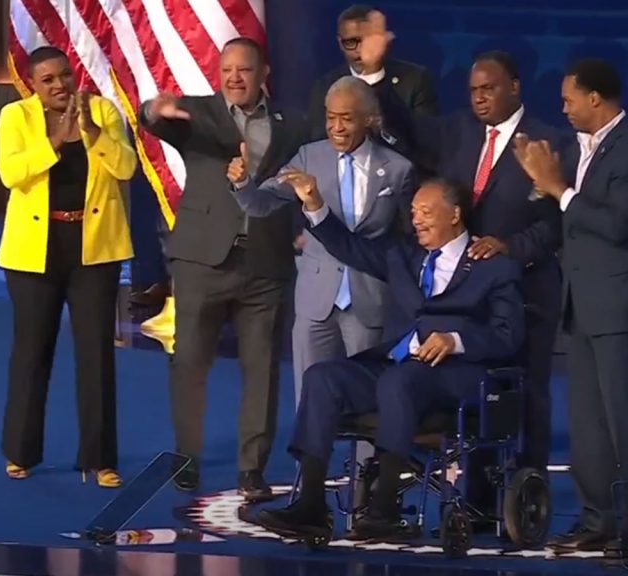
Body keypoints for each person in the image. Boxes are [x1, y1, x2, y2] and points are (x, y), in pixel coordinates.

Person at [252, 176, 525, 543]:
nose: (416, 220)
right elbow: (349, 246)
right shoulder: (404, 256)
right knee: (323, 377)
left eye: (426, 212)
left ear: (455, 214)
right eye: (413, 213)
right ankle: (311, 506)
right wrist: (314, 202)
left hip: (456, 376)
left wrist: (456, 340)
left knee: (400, 381)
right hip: (397, 367)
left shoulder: (494, 267)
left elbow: (509, 336)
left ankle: (384, 509)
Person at [368, 26, 563, 483]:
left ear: (514, 87)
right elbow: (406, 128)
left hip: (528, 286)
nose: (479, 98)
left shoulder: (547, 142)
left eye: (489, 88)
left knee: (525, 390)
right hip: (466, 293)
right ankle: (476, 489)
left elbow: (556, 222)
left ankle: (527, 481)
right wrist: (376, 76)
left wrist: (510, 248)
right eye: (474, 90)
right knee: (473, 386)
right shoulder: (456, 131)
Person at [138, 37, 310, 497]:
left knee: (262, 370)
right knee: (190, 362)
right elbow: (152, 119)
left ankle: (251, 468)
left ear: (263, 75)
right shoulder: (198, 114)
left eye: (244, 70)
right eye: (227, 69)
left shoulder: (292, 124)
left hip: (266, 265)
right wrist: (153, 110)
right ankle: (187, 457)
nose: (234, 78)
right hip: (201, 260)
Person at [512, 58, 628, 553]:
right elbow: (569, 218)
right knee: (587, 423)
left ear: (595, 98)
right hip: (580, 302)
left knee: (624, 420)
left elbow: (617, 225)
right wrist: (542, 185)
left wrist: (558, 187)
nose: (563, 108)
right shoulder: (581, 149)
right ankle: (597, 519)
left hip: (620, 304)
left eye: (569, 98)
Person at [0, 46, 137, 487]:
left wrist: (92, 132)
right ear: (34, 86)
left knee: (96, 355)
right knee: (32, 352)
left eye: (64, 76)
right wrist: (55, 141)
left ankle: (100, 458)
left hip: (95, 249)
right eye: (48, 80)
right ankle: (21, 452)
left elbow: (127, 167)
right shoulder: (15, 117)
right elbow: (11, 174)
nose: (59, 86)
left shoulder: (102, 112)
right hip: (34, 252)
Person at [227, 76, 416, 405]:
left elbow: (408, 239)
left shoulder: (398, 170)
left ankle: (366, 459)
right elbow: (261, 204)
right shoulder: (308, 157)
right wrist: (243, 183)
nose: (337, 128)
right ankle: (310, 459)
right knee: (310, 401)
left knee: (370, 399)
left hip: (367, 299)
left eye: (347, 118)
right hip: (316, 301)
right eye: (331, 118)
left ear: (368, 119)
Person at [307, 4, 437, 165]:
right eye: (350, 42)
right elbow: (319, 148)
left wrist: (373, 75)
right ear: (340, 43)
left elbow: (423, 146)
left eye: (366, 41)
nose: (360, 51)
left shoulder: (415, 80)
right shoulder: (325, 86)